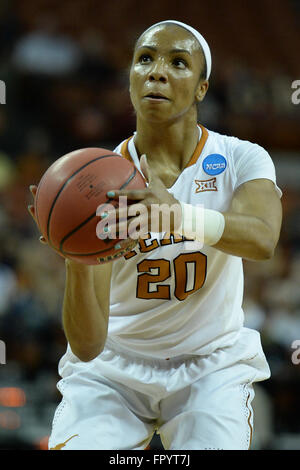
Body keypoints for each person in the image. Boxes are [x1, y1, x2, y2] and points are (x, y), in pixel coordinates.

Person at [28, 20, 282, 450]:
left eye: (178, 62)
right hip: (114, 369)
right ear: (129, 79)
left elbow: (262, 239)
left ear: (202, 88)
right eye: (144, 59)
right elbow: (87, 346)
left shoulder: (240, 157)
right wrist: (75, 256)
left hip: (210, 366)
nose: (156, 71)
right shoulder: (95, 184)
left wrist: (178, 216)